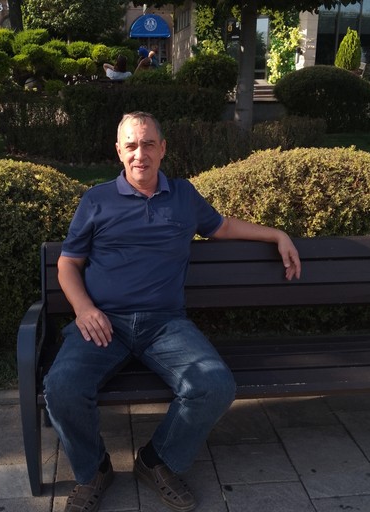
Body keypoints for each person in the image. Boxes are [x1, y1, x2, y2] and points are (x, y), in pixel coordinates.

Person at [44, 111, 301, 512]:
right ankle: (93, 470)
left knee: (214, 386)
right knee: (61, 388)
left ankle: (156, 460)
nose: (140, 154)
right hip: (104, 322)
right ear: (119, 151)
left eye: (148, 144)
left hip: (164, 325)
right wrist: (84, 308)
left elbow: (222, 227)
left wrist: (276, 234)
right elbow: (68, 263)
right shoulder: (96, 200)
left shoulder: (183, 196)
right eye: (131, 145)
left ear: (162, 149)